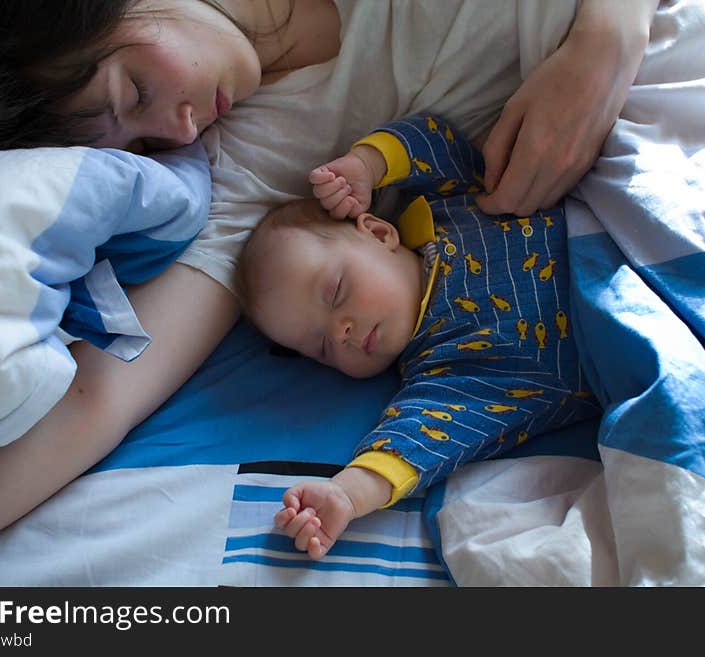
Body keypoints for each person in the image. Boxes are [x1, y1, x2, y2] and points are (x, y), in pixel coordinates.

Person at [0, 0, 658, 582]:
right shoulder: (255, 170)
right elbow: (93, 402)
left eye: (135, 86)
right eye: (137, 144)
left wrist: (610, 33)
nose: (174, 128)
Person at [236, 113, 601, 558]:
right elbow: (417, 439)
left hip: (617, 225)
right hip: (633, 335)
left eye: (335, 293)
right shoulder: (447, 371)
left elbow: (435, 142)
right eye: (323, 348)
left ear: (377, 231)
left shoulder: (449, 204)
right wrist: (346, 495)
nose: (342, 332)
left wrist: (366, 165)